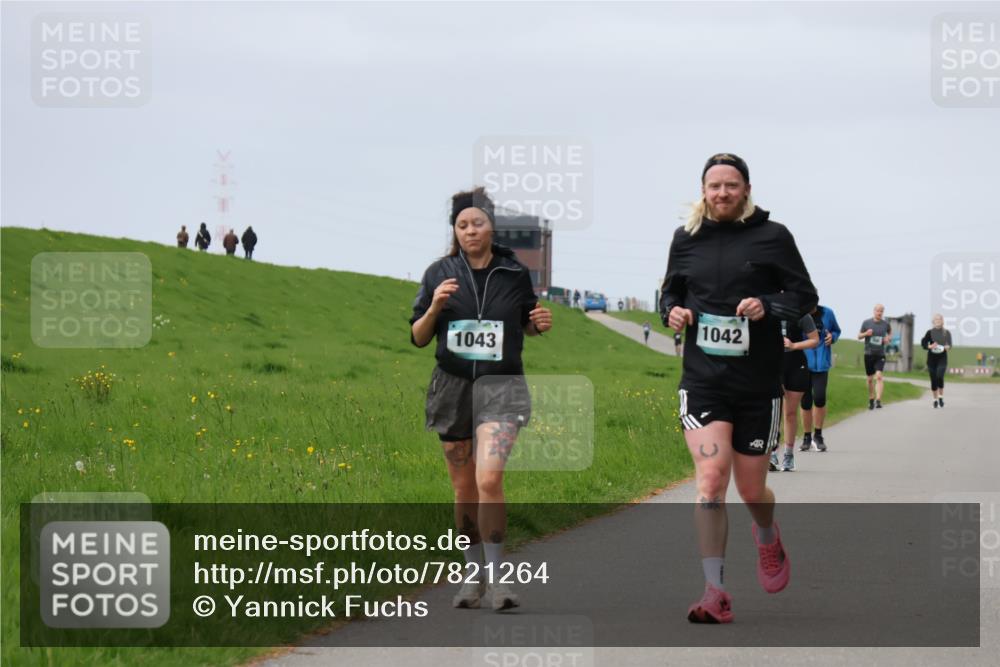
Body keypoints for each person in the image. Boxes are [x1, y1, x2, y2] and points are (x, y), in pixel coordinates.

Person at [659, 153, 817, 624]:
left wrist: (767, 305)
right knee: (710, 479)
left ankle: (767, 537)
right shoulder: (686, 238)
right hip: (704, 382)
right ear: (703, 191)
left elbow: (804, 295)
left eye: (731, 185)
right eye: (714, 186)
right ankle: (715, 591)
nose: (722, 193)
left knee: (752, 492)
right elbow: (668, 292)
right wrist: (673, 311)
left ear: (746, 189)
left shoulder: (773, 237)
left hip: (757, 385)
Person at [409, 186, 552, 612]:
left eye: (479, 222)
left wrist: (537, 323)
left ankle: (499, 582)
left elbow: (527, 323)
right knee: (464, 489)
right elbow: (417, 337)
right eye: (463, 224)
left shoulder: (513, 273)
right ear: (455, 230)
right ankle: (472, 576)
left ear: (492, 226)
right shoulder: (438, 273)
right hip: (452, 390)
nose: (471, 230)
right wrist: (434, 307)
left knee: (489, 480)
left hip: (502, 387)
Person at [769, 314, 820, 472]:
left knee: (790, 413)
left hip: (796, 365)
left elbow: (814, 340)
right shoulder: (769, 309)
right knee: (775, 410)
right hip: (774, 364)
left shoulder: (802, 313)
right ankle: (772, 453)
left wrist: (793, 345)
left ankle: (788, 456)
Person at [801, 304, 841, 451]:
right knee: (805, 402)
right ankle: (806, 437)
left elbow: (836, 330)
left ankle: (818, 436)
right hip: (803, 363)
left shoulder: (828, 313)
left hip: (821, 364)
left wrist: (833, 337)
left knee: (819, 398)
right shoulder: (799, 312)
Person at [859, 304, 891, 409]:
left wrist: (888, 339)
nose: (879, 313)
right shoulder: (866, 323)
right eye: (878, 310)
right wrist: (866, 334)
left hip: (880, 354)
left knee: (879, 376)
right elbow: (859, 336)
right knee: (869, 379)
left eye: (881, 311)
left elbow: (890, 333)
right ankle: (871, 398)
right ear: (874, 311)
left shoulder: (886, 324)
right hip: (868, 354)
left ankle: (878, 400)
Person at [921, 314, 952, 408]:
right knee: (933, 379)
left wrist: (947, 347)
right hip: (931, 359)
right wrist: (929, 346)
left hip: (942, 358)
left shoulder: (946, 332)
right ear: (933, 322)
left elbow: (949, 345)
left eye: (939, 319)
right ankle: (935, 399)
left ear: (942, 321)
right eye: (936, 319)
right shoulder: (929, 332)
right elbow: (923, 343)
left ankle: (941, 397)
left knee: (939, 376)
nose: (938, 320)